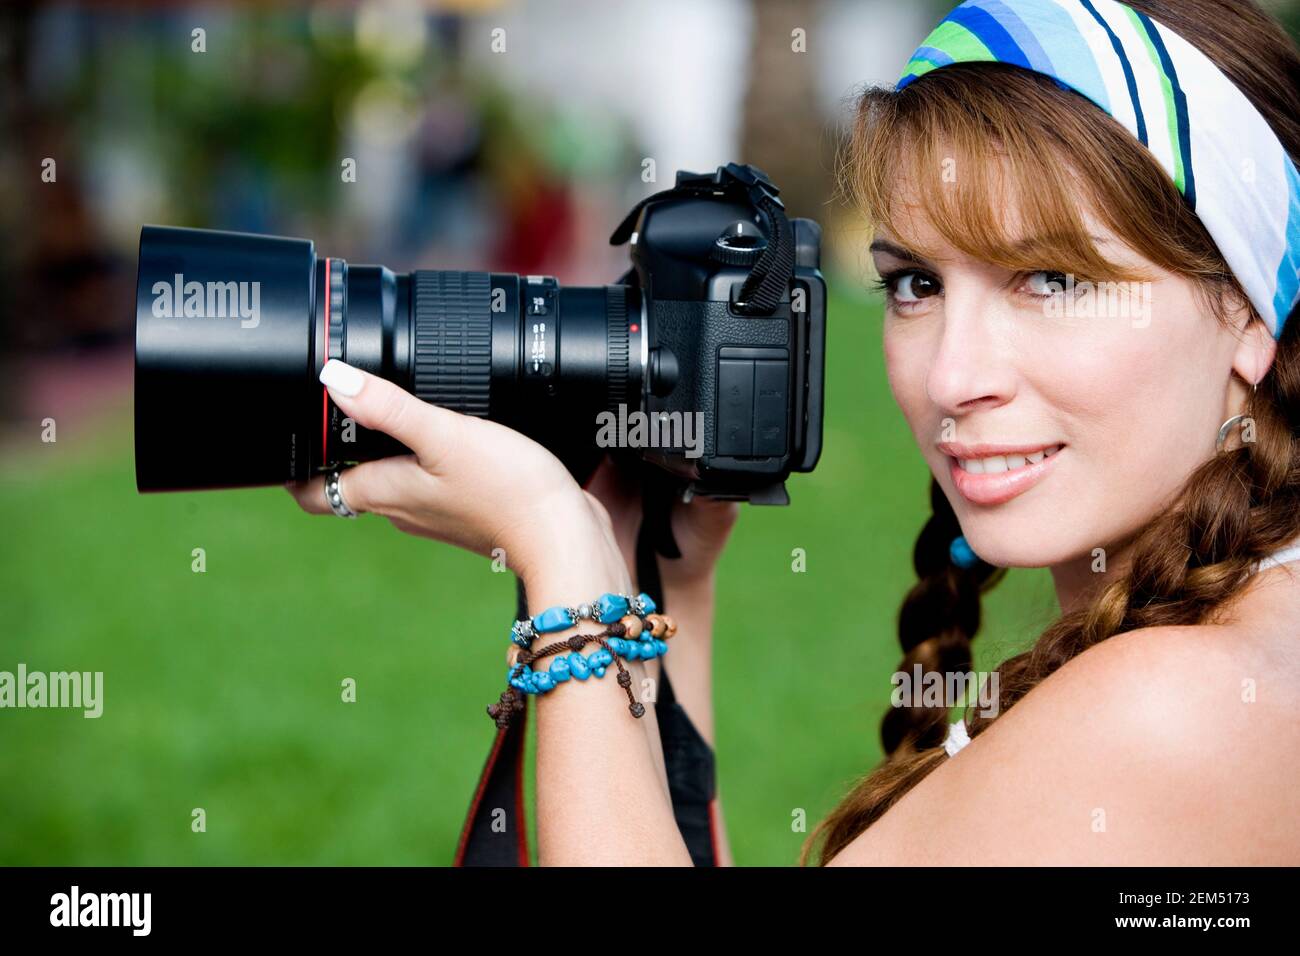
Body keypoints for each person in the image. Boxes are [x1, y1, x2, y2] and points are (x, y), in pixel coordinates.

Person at [290, 0, 1300, 865]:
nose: (951, 374)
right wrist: (662, 586)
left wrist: (560, 564)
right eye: (915, 283)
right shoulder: (1232, 636)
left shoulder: (1180, 703)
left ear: (1250, 312)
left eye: (1053, 280)